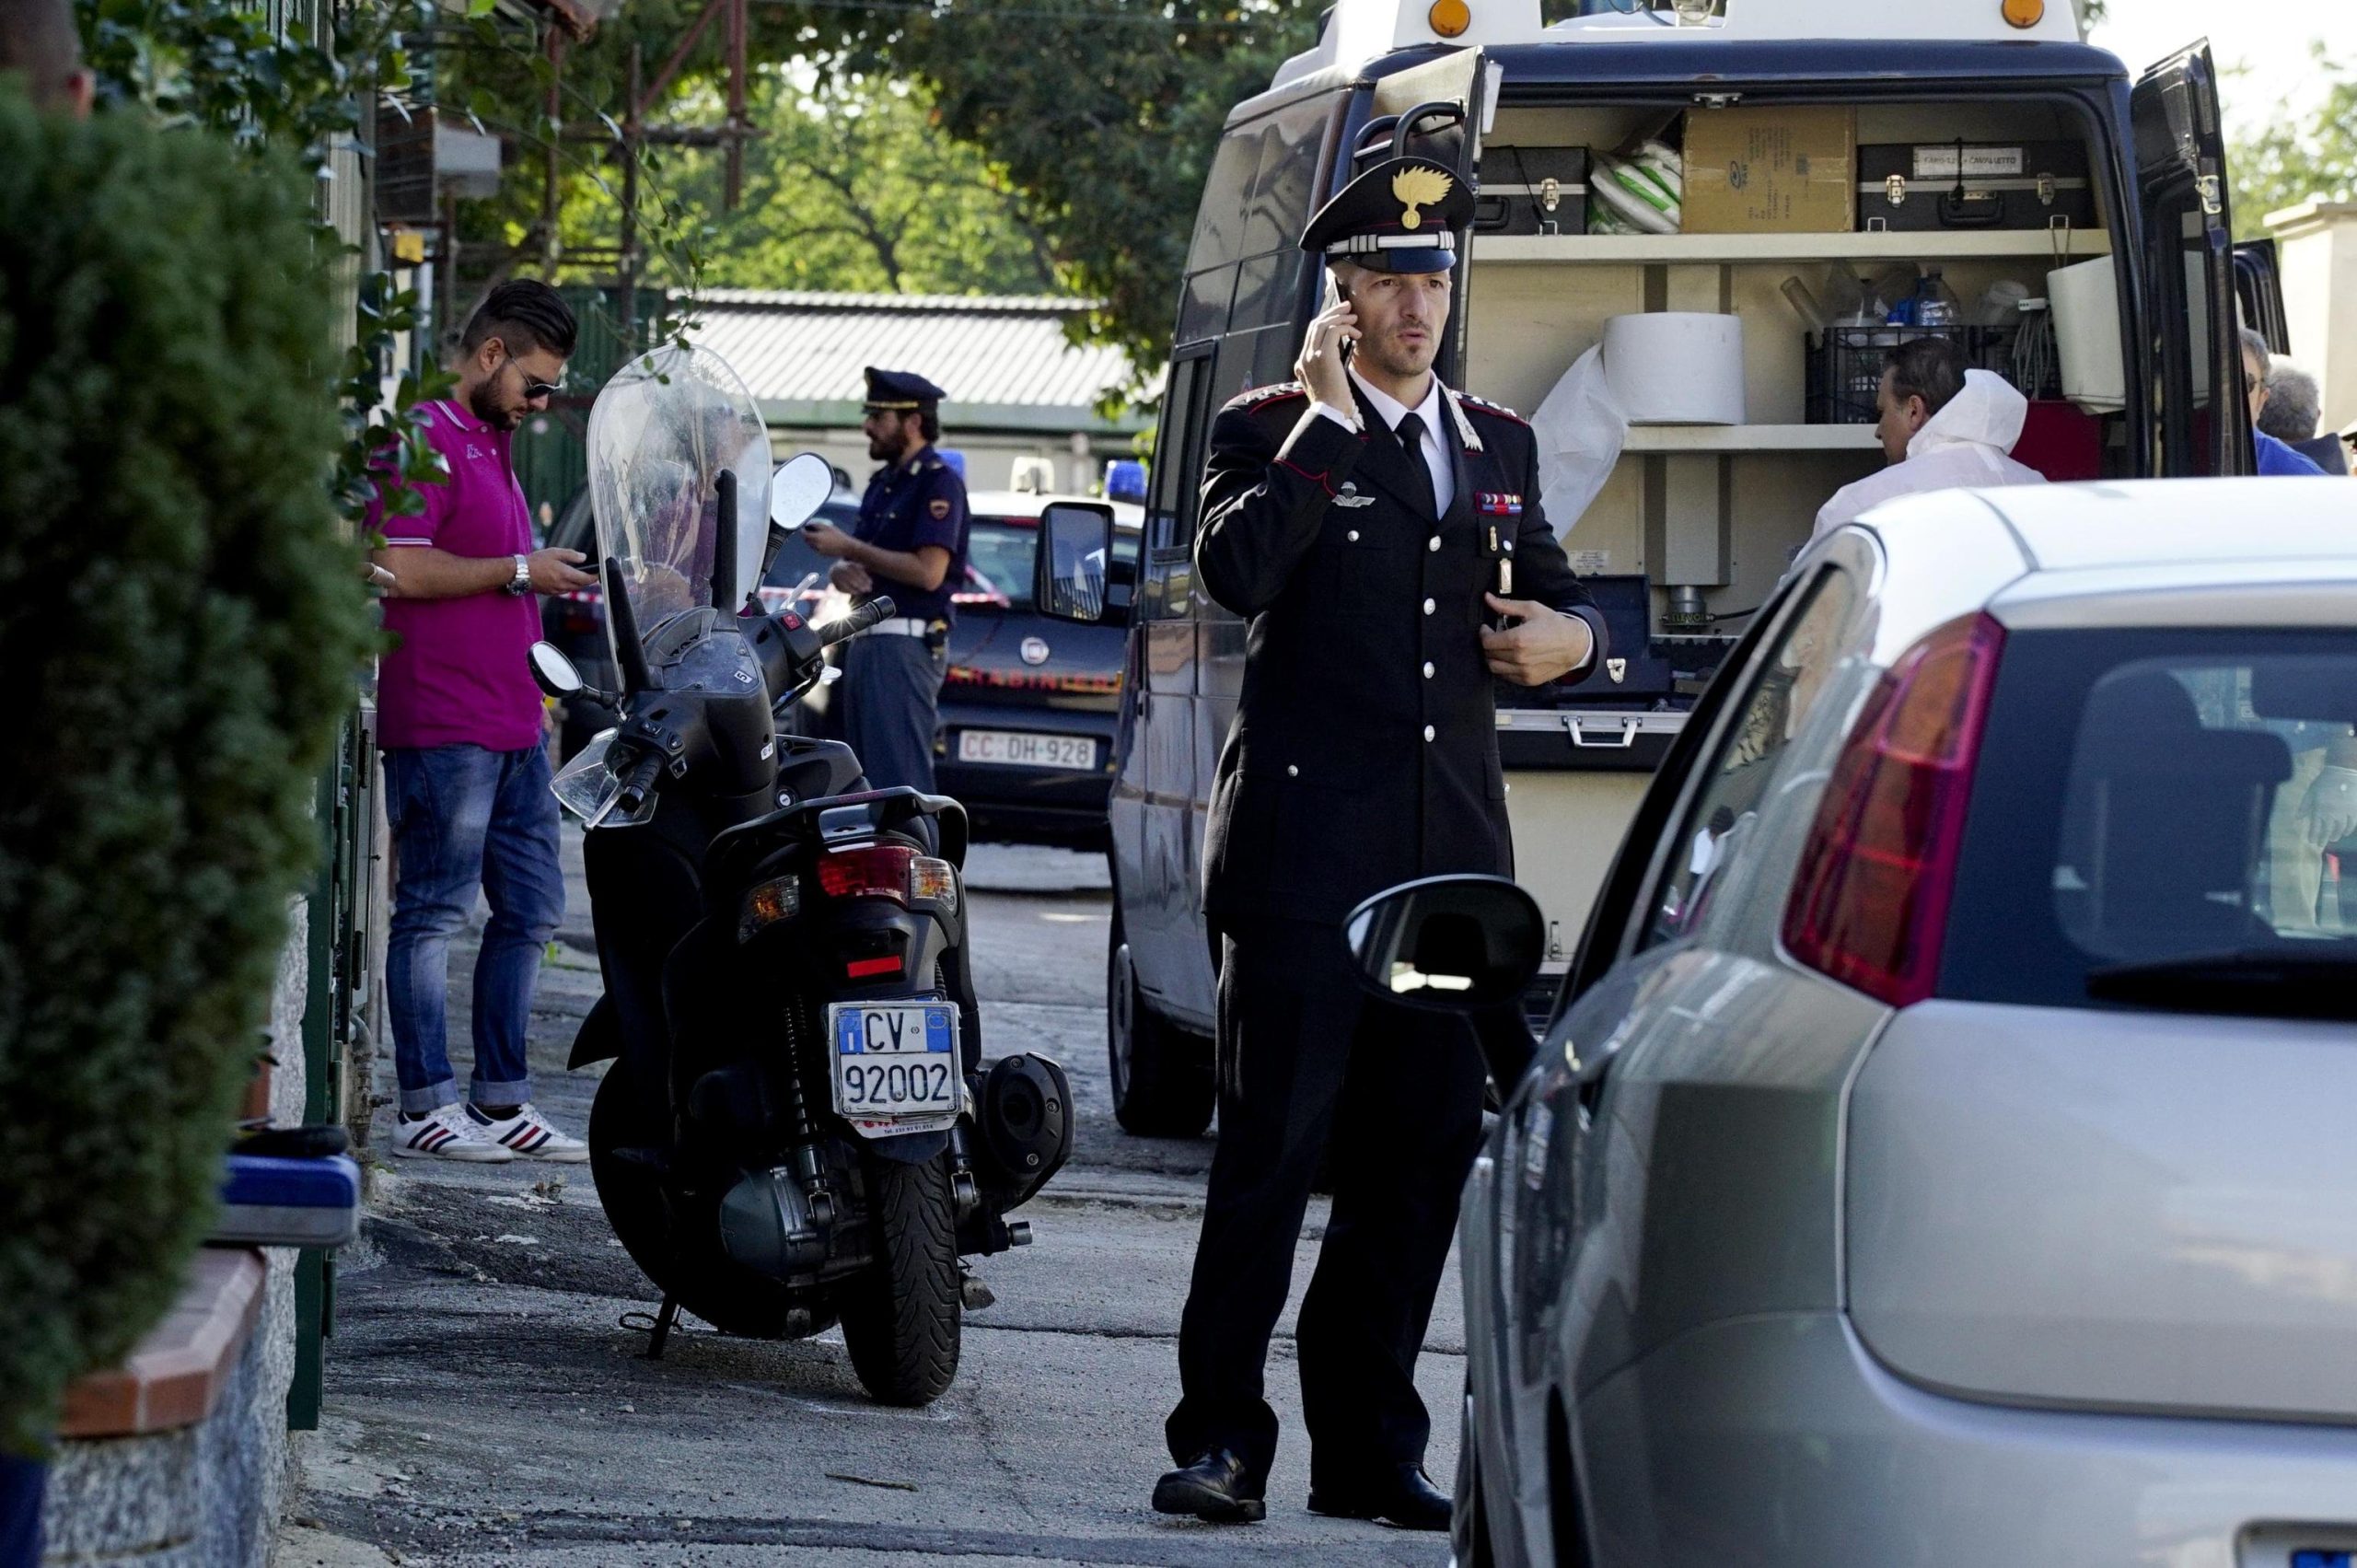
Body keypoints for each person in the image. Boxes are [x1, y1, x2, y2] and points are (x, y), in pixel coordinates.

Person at [1155, 154, 1607, 1532]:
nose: (1418, 304)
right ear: (1342, 294)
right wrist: (1328, 425)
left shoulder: (1495, 443)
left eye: (1434, 279)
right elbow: (1235, 572)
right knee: (1268, 1166)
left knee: (1414, 1174)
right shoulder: (1267, 425)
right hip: (1304, 861)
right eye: (1391, 280)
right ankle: (1222, 1440)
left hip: (1446, 867)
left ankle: (1365, 1446)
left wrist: (1573, 639)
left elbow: (1560, 601)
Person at [366, 281, 596, 1163]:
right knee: (433, 911)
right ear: (492, 354)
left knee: (532, 908)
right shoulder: (419, 436)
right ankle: (425, 1104)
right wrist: (520, 568)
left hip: (513, 722)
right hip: (444, 720)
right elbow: (395, 567)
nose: (540, 404)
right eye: (535, 384)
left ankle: (502, 1100)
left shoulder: (490, 441)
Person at [805, 367, 970, 791]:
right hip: (864, 641)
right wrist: (840, 570)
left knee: (900, 784)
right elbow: (867, 559)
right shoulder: (883, 484)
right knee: (865, 784)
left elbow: (929, 572)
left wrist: (849, 547)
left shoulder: (937, 483)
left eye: (879, 416)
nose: (868, 426)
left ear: (913, 422)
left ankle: (919, 839)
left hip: (903, 645)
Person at [1813, 337, 2044, 539]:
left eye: (1882, 412)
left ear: (1914, 410)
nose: (1878, 431)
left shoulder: (1863, 504)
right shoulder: (2039, 489)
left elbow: (1817, 576)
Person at [2248, 339, 2340, 476]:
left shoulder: (2246, 466)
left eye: (2249, 384)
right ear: (2317, 416)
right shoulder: (2336, 479)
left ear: (2260, 404)